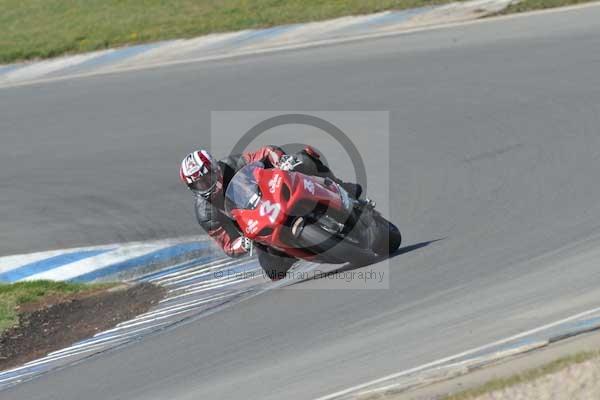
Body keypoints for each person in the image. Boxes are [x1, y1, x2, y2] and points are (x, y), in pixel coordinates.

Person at [179, 145, 362, 279]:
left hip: (272, 193)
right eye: (198, 184)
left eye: (207, 177)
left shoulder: (232, 164)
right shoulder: (205, 213)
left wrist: (281, 161)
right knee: (272, 271)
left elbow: (266, 152)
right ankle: (295, 251)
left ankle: (340, 187)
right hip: (257, 226)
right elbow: (227, 244)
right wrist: (241, 243)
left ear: (215, 167)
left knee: (304, 159)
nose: (205, 185)